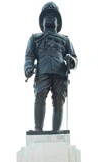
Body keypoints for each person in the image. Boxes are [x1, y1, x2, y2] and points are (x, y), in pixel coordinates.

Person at [24, 2, 77, 132]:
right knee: (40, 95)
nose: (49, 17)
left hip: (60, 73)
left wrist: (71, 61)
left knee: (59, 99)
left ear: (57, 22)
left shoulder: (65, 40)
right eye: (46, 15)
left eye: (52, 16)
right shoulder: (34, 38)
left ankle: (56, 131)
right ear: (41, 21)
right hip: (43, 71)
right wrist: (28, 68)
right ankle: (38, 130)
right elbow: (29, 56)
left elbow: (75, 59)